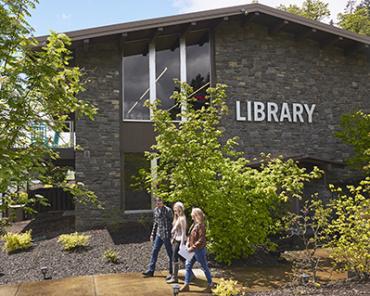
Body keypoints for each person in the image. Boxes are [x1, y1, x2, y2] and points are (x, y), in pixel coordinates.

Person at [180, 208, 213, 293]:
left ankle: (210, 285)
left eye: (192, 214)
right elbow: (191, 236)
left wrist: (192, 247)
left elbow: (201, 240)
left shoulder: (201, 225)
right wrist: (188, 242)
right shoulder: (194, 224)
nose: (191, 216)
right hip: (193, 250)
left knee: (204, 267)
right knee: (188, 266)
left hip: (198, 250)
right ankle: (186, 285)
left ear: (196, 215)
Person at [142, 197, 173, 279]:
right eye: (157, 202)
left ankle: (171, 272)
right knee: (154, 251)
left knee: (170, 254)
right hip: (159, 234)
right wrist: (152, 234)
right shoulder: (155, 210)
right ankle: (151, 270)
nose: (158, 203)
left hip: (166, 235)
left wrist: (171, 235)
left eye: (160, 201)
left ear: (163, 202)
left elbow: (172, 223)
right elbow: (155, 223)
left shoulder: (168, 210)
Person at [166, 202, 187, 284]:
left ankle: (175, 277)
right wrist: (173, 238)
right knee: (182, 258)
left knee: (174, 257)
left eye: (176, 209)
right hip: (176, 240)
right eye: (174, 209)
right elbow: (175, 231)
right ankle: (190, 273)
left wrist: (182, 244)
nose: (174, 210)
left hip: (180, 241)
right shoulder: (177, 218)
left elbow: (183, 232)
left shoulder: (182, 219)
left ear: (180, 209)